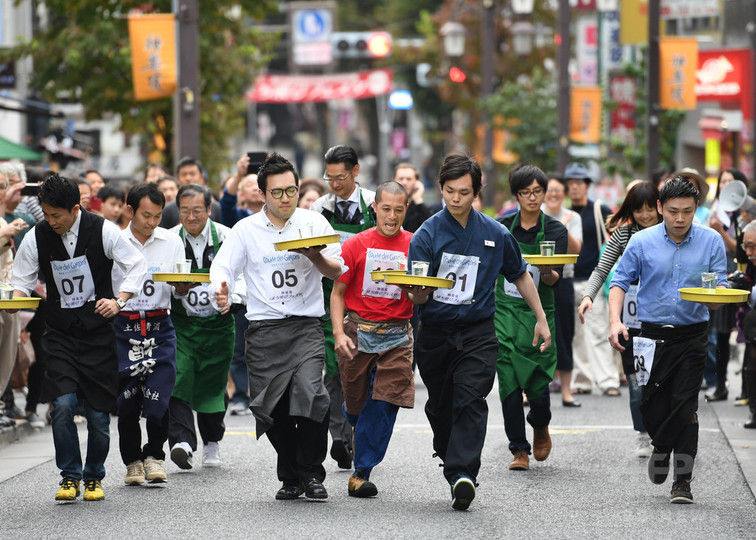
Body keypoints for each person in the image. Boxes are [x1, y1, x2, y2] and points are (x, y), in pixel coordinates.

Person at [405, 153, 550, 511]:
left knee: (471, 399)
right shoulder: (426, 234)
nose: (456, 199)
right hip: (435, 332)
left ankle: (462, 474)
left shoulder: (495, 233)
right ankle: (450, 453)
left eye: (464, 192)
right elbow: (415, 288)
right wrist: (418, 292)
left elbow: (518, 274)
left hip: (478, 332)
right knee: (441, 407)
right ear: (440, 189)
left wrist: (541, 318)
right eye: (450, 191)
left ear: (476, 193)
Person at [211, 152, 344, 501]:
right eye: (277, 192)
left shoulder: (313, 224)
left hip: (305, 328)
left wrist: (315, 256)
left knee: (313, 395)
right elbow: (223, 267)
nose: (285, 199)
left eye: (291, 191)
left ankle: (312, 475)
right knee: (273, 409)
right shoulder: (245, 230)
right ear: (262, 193)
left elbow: (338, 270)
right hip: (264, 332)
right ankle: (291, 475)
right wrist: (220, 291)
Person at [11, 173, 147, 501]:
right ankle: (70, 474)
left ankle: (94, 475)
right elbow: (22, 277)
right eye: (46, 214)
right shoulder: (37, 236)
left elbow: (137, 264)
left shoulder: (103, 230)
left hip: (98, 332)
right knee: (62, 405)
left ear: (74, 209)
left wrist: (119, 301)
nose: (51, 221)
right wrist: (14, 304)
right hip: (58, 333)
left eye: (57, 215)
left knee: (99, 415)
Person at [608, 176, 727, 504]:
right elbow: (619, 281)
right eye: (672, 211)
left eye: (687, 212)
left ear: (696, 210)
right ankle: (660, 446)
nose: (679, 219)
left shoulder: (711, 241)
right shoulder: (642, 242)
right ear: (660, 208)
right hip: (650, 336)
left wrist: (715, 297)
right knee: (652, 405)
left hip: (693, 336)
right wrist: (616, 321)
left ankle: (682, 482)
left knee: (686, 407)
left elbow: (718, 292)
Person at [330, 181, 415, 498]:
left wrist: (416, 293)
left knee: (385, 400)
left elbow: (421, 294)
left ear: (406, 209)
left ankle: (361, 472)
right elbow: (337, 294)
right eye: (386, 208)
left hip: (397, 335)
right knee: (356, 406)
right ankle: (354, 419)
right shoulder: (355, 245)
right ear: (374, 208)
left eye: (398, 209)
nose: (391, 216)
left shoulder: (415, 244)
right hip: (358, 332)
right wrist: (338, 332)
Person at [578, 181, 661, 457]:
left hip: (665, 322)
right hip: (631, 323)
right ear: (631, 210)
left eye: (651, 208)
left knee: (662, 381)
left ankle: (666, 431)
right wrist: (589, 295)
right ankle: (642, 434)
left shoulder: (670, 232)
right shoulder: (623, 235)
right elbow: (602, 268)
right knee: (637, 383)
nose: (646, 215)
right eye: (640, 210)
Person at [113, 183, 185, 486]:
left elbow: (179, 285)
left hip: (159, 323)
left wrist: (183, 287)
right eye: (145, 215)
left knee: (160, 392)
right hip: (124, 324)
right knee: (127, 396)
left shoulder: (171, 241)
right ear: (130, 210)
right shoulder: (113, 241)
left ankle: (155, 455)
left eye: (157, 216)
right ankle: (132, 461)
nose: (152, 222)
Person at [495, 165, 567, 471]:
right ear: (516, 195)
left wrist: (547, 269)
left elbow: (553, 280)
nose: (533, 198)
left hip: (540, 314)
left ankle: (540, 425)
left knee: (538, 388)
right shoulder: (500, 228)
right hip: (505, 314)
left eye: (538, 192)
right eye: (526, 193)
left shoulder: (555, 231)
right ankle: (519, 449)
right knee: (509, 384)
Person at [310, 145, 376, 470]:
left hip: (367, 299)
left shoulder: (377, 206)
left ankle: (354, 434)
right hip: (328, 298)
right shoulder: (317, 210)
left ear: (355, 172)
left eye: (341, 177)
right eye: (329, 178)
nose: (334, 184)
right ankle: (340, 437)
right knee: (334, 369)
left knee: (358, 372)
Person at [167, 184, 238, 470]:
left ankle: (212, 441)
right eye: (185, 211)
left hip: (218, 325)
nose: (191, 217)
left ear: (209, 210)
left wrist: (231, 296)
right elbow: (161, 281)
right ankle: (182, 441)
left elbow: (242, 275)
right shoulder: (170, 239)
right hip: (182, 325)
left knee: (213, 384)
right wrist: (178, 291)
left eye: (198, 210)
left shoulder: (228, 237)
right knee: (178, 376)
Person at [565, 162, 619, 396]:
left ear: (587, 186)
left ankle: (608, 381)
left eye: (579, 183)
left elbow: (616, 237)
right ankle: (582, 380)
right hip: (569, 278)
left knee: (598, 330)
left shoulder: (600, 209)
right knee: (576, 334)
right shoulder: (566, 214)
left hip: (593, 280)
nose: (575, 187)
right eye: (571, 183)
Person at [703, 168, 747, 402]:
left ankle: (747, 389)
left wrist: (720, 230)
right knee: (720, 332)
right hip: (722, 274)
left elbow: (739, 248)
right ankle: (720, 384)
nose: (726, 186)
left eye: (731, 181)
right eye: (723, 182)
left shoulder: (746, 213)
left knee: (747, 330)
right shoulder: (715, 211)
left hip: (742, 273)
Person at [542, 172, 582, 406]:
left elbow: (576, 250)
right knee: (534, 334)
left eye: (558, 189)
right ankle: (530, 389)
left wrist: (561, 228)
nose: (554, 193)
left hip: (564, 280)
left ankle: (566, 390)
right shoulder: (535, 216)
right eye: (550, 189)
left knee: (565, 334)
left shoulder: (572, 217)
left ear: (564, 193)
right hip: (538, 280)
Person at [159, 157, 221, 228]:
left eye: (192, 174)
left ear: (201, 177)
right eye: (184, 174)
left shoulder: (216, 208)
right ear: (178, 178)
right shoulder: (167, 210)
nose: (188, 178)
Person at [738, 221, 756, 428]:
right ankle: (754, 409)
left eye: (753, 246)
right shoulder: (751, 264)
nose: (749, 252)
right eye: (746, 246)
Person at [392, 162, 433, 233]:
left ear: (416, 182)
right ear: (394, 181)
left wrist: (418, 199)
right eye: (401, 179)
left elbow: (431, 229)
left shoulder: (421, 209)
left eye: (409, 179)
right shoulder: (385, 206)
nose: (404, 182)